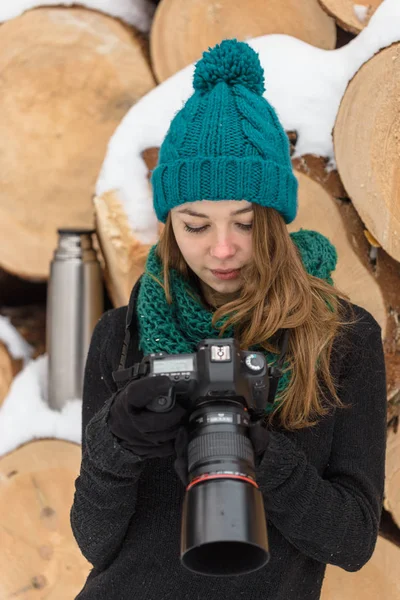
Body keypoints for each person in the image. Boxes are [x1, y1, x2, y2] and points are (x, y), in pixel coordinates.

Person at [70, 39, 387, 600]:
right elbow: (96, 544)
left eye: (244, 223)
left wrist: (259, 453)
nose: (222, 250)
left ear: (275, 218)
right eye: (196, 225)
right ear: (169, 222)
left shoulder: (342, 338)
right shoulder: (122, 336)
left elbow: (354, 541)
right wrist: (115, 441)